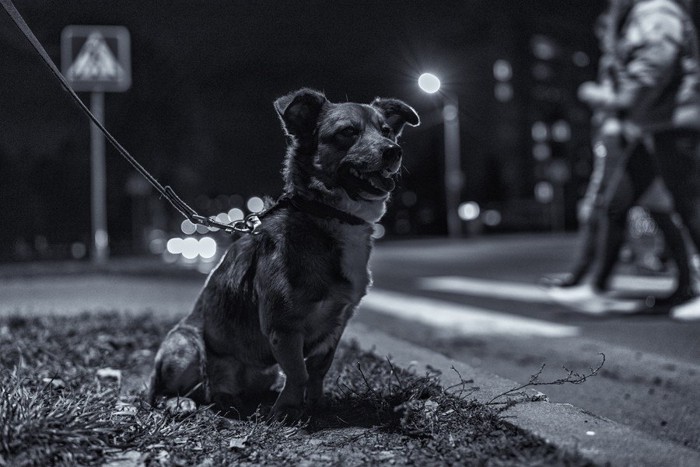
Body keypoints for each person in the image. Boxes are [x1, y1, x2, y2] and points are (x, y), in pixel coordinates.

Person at [545, 1, 695, 310]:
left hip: (673, 123)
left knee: (688, 206)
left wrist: (606, 98)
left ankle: (686, 285)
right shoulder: (635, 17)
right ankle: (598, 285)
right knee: (618, 205)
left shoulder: (656, 11)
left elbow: (652, 69)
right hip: (649, 127)